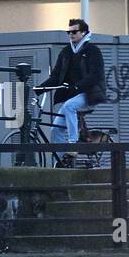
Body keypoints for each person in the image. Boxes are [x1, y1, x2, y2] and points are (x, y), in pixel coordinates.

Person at [39, 19, 105, 166]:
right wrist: (40, 88)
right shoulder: (66, 52)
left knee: (69, 106)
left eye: (74, 32)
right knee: (55, 129)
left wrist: (76, 87)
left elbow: (95, 75)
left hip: (89, 94)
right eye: (69, 32)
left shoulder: (92, 51)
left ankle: (73, 145)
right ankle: (65, 161)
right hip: (73, 96)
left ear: (84, 33)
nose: (71, 34)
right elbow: (56, 76)